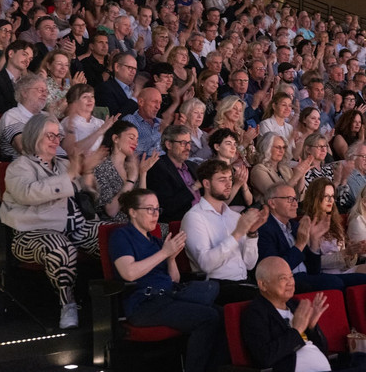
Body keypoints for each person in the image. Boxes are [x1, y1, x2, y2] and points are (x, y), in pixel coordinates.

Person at [0, 113, 107, 329]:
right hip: (31, 233)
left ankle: (119, 297)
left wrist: (87, 174)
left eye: (58, 136)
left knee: (113, 234)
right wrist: (70, 176)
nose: (56, 141)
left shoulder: (64, 163)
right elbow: (28, 194)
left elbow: (91, 199)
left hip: (75, 227)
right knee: (60, 247)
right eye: (50, 136)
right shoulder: (20, 166)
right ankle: (67, 303)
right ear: (33, 136)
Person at [108, 188, 223, 372]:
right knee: (208, 318)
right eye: (150, 209)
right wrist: (164, 253)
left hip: (168, 297)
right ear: (133, 212)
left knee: (222, 313)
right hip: (143, 304)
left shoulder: (155, 242)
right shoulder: (122, 236)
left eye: (157, 209)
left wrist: (170, 258)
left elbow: (174, 279)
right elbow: (128, 273)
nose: (155, 215)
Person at [181, 159, 268, 304]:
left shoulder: (234, 217)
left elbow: (249, 264)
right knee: (269, 301)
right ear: (206, 184)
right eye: (222, 180)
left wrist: (252, 233)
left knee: (284, 297)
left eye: (230, 179)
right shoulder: (194, 217)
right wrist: (238, 234)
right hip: (216, 287)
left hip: (243, 282)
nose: (229, 185)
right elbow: (205, 265)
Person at [258, 182, 366, 292]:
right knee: (334, 283)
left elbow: (314, 270)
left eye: (295, 199)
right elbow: (274, 271)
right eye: (289, 199)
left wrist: (314, 241)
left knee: (364, 279)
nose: (295, 204)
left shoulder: (295, 226)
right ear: (272, 203)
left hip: (307, 275)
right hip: (289, 280)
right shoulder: (265, 229)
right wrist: (300, 245)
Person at [240, 257, 342, 372]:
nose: (291, 282)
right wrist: (296, 331)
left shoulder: (295, 305)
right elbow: (264, 358)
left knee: (362, 360)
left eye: (291, 276)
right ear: (263, 285)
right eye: (283, 278)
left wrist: (312, 327)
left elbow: (322, 351)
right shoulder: (256, 313)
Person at [301, 178, 366, 282]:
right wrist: (345, 253)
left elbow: (347, 264)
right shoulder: (307, 224)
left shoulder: (334, 222)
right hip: (323, 275)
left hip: (342, 271)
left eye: (332, 196)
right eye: (326, 196)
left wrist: (352, 253)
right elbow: (313, 262)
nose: (330, 200)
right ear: (315, 197)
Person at [94, 120, 158, 222]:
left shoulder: (130, 167)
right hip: (114, 225)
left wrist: (142, 173)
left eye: (137, 139)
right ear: (115, 138)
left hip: (136, 222)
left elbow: (142, 203)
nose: (135, 143)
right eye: (131, 137)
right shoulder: (101, 167)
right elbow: (111, 211)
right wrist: (131, 180)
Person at [146, 125, 201, 222]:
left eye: (189, 143)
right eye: (183, 143)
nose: (188, 147)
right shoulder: (158, 168)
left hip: (203, 217)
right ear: (169, 145)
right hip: (180, 222)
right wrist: (194, 187)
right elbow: (167, 206)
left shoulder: (193, 166)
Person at [249, 132, 310, 203]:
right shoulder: (258, 170)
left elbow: (300, 197)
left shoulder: (285, 168)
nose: (282, 151)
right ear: (267, 148)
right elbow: (275, 195)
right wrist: (296, 177)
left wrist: (302, 175)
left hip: (291, 208)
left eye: (284, 147)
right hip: (269, 210)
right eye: (278, 147)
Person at [0, 39, 33, 114]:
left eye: (30, 59)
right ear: (11, 54)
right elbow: (0, 110)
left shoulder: (27, 84)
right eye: (24, 54)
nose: (27, 60)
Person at [96, 52, 140, 117]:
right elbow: (115, 118)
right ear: (117, 67)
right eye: (130, 67)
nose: (133, 72)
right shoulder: (105, 88)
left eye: (135, 69)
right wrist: (134, 98)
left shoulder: (135, 89)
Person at [122, 87, 162, 156]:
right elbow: (133, 148)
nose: (158, 107)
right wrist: (160, 132)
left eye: (160, 103)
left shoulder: (162, 122)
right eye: (154, 102)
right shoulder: (129, 120)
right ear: (141, 102)